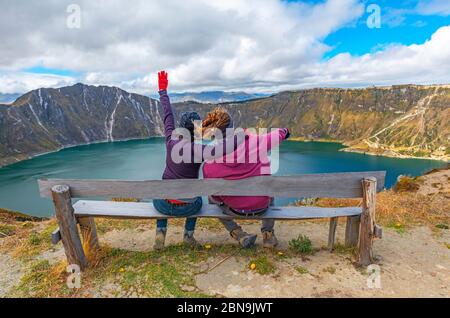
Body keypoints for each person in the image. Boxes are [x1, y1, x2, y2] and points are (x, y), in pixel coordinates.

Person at [153, 71, 244, 250]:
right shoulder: (199, 150)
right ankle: (188, 237)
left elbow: (167, 115)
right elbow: (221, 149)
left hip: (163, 205)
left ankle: (160, 235)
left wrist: (163, 91)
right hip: (188, 207)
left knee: (159, 191)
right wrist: (238, 136)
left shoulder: (171, 140)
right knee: (198, 200)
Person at [202, 107, 290, 248]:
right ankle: (268, 233)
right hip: (262, 206)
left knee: (211, 199)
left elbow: (216, 196)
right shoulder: (255, 142)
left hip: (234, 208)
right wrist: (284, 132)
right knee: (269, 189)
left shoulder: (209, 163)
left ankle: (237, 233)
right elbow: (278, 135)